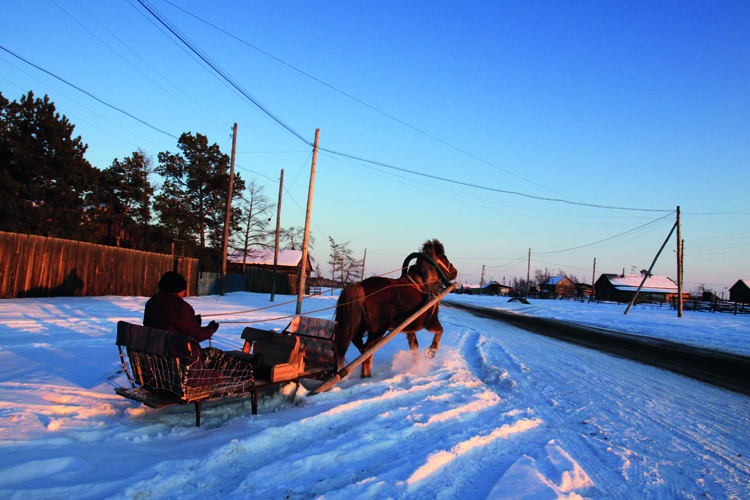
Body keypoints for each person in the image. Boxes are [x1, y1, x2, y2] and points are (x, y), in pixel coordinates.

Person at [143, 271, 218, 342]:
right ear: (178, 290)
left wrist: (192, 321)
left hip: (153, 348)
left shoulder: (152, 302)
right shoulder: (180, 307)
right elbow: (198, 335)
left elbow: (168, 323)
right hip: (174, 351)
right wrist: (211, 328)